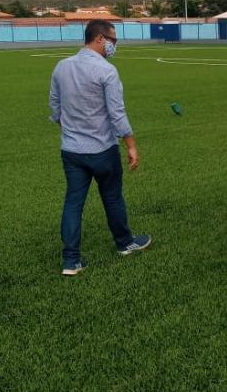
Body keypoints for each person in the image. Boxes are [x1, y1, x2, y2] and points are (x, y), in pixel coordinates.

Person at [49, 19, 151, 276]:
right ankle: (125, 243)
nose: (114, 45)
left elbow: (55, 106)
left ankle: (71, 260)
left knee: (73, 202)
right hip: (102, 150)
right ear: (98, 39)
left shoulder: (62, 67)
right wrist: (131, 145)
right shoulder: (106, 71)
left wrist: (70, 131)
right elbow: (117, 114)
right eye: (112, 40)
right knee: (113, 197)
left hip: (71, 151)